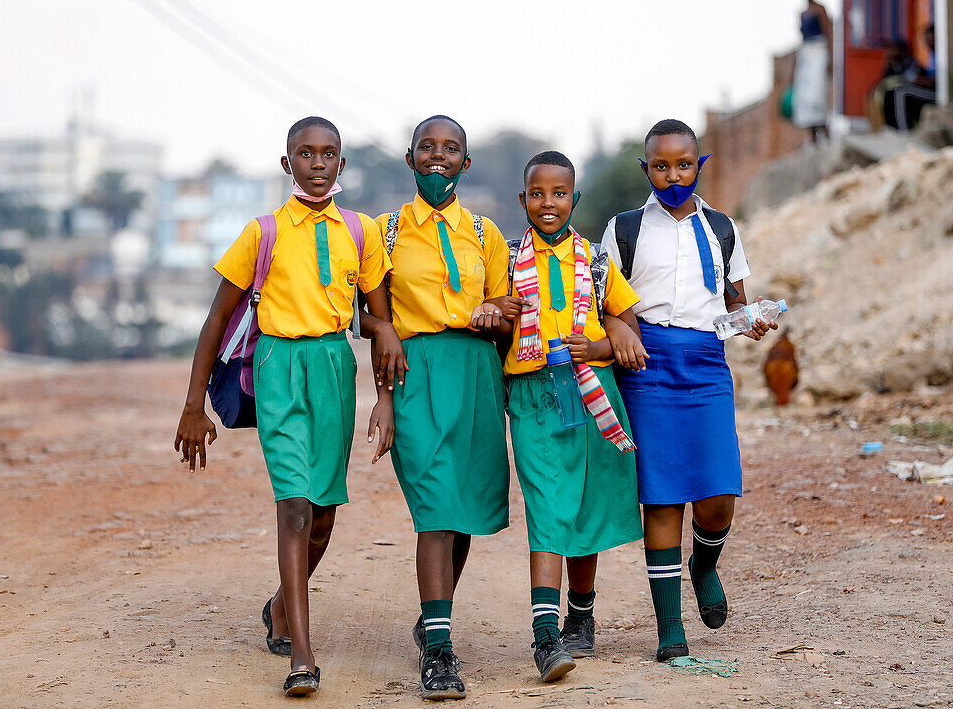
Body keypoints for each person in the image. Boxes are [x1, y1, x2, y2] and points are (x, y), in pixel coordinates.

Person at [173, 116, 395, 697]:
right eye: (305, 153)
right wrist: (192, 405)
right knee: (294, 504)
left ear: (342, 164)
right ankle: (302, 650)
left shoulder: (362, 231)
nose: (317, 163)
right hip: (278, 369)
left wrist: (386, 386)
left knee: (323, 514)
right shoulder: (263, 232)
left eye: (328, 154)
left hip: (333, 371)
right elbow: (217, 317)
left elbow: (377, 318)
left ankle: (277, 605)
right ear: (286, 163)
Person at [600, 119, 776, 662]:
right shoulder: (624, 229)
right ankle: (669, 629)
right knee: (662, 495)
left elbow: (732, 302)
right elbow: (602, 303)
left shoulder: (722, 228)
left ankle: (704, 563)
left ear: (700, 164)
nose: (672, 175)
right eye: (660, 165)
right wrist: (620, 330)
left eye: (683, 164)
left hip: (705, 365)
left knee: (718, 494)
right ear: (645, 167)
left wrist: (750, 319)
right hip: (647, 364)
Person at [471, 151, 644, 683]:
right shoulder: (506, 259)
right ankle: (547, 639)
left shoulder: (593, 260)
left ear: (575, 199)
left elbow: (627, 323)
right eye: (538, 194)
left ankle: (581, 617)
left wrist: (605, 337)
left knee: (586, 506)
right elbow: (493, 319)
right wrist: (491, 316)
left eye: (560, 194)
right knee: (548, 508)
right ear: (523, 200)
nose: (549, 204)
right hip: (532, 394)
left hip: (591, 390)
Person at [369, 115, 511, 701]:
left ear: (465, 163)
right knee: (435, 509)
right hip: (415, 372)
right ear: (410, 158)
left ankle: (433, 616)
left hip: (477, 373)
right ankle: (440, 652)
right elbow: (367, 311)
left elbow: (510, 303)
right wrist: (383, 360)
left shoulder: (485, 231)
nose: (438, 156)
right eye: (427, 147)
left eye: (450, 148)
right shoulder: (386, 230)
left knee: (467, 513)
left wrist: (495, 311)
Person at [792, 0, 834, 142]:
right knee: (805, 95)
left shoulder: (820, 9)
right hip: (806, 56)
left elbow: (828, 34)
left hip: (819, 52)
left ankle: (825, 133)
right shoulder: (802, 13)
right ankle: (812, 137)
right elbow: (801, 40)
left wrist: (830, 58)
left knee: (817, 93)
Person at [884, 24, 937, 131]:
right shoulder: (931, 56)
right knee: (890, 93)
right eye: (927, 40)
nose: (928, 42)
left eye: (931, 39)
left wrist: (919, 80)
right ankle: (892, 129)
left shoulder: (942, 55)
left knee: (901, 91)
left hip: (936, 93)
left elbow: (933, 82)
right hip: (925, 88)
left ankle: (903, 132)